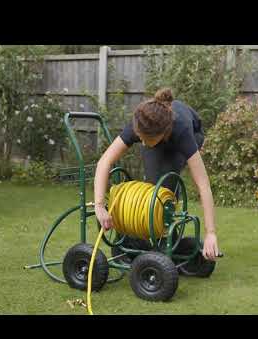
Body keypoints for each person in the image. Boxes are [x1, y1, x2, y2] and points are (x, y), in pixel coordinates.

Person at [93, 88, 219, 261]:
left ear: (161, 134)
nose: (141, 142)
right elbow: (104, 162)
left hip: (191, 134)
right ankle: (136, 242)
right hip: (160, 135)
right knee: (152, 191)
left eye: (145, 139)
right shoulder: (140, 123)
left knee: (165, 189)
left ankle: (164, 242)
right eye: (139, 137)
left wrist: (211, 233)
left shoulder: (182, 131)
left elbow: (203, 185)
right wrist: (99, 205)